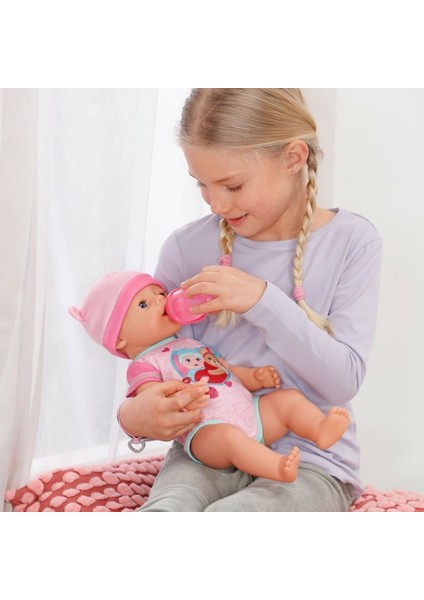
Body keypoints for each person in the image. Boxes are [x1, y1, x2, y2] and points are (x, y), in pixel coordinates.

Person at [121, 88, 382, 512]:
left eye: (233, 185)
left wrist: (261, 301)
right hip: (207, 448)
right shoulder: (186, 248)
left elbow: (342, 381)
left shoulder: (352, 241)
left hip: (312, 460)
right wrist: (133, 417)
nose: (217, 204)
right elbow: (156, 356)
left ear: (293, 157)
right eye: (202, 185)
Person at [69, 271, 350, 483]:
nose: (160, 300)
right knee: (230, 439)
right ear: (119, 338)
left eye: (160, 293)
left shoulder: (189, 343)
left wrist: (254, 377)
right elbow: (153, 402)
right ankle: (276, 468)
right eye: (144, 304)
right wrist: (178, 401)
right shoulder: (144, 365)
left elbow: (223, 371)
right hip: (207, 431)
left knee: (287, 400)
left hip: (251, 413)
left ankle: (319, 428)